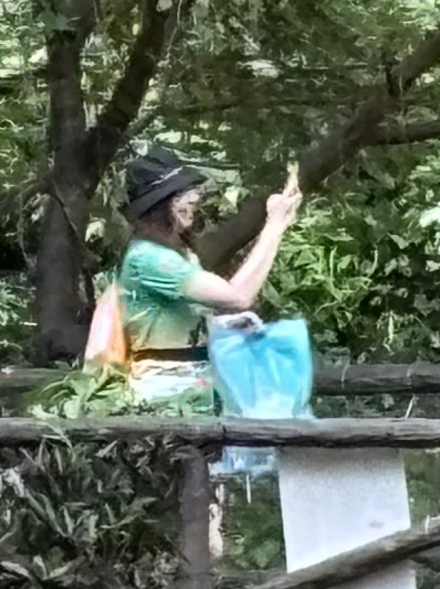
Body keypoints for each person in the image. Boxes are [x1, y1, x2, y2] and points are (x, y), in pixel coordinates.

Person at [111, 145, 306, 406]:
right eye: (180, 194)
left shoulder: (179, 255)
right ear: (159, 204)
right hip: (164, 397)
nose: (193, 199)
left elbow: (216, 305)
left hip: (195, 390)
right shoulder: (149, 258)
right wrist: (275, 224)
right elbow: (238, 296)